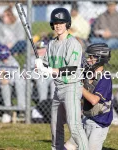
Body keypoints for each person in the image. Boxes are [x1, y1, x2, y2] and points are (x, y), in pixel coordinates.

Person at [35, 8, 89, 150]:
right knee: (55, 126)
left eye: (61, 22)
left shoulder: (73, 43)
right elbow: (47, 64)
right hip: (58, 89)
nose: (58, 25)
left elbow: (71, 69)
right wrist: (40, 64)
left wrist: (48, 69)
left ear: (67, 24)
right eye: (55, 23)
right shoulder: (52, 43)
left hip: (71, 87)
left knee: (75, 126)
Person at [65, 43, 113, 150]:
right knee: (70, 146)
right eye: (89, 57)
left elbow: (94, 100)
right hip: (86, 118)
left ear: (100, 59)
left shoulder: (105, 78)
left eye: (92, 57)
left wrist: (77, 85)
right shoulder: (87, 74)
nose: (88, 60)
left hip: (99, 123)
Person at [0, 45, 25, 123]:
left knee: (5, 86)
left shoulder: (14, 63)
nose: (4, 60)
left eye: (5, 57)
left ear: (9, 54)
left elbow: (17, 77)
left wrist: (8, 80)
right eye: (2, 58)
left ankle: (7, 111)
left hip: (9, 85)